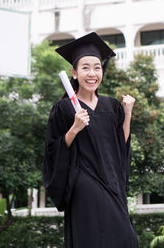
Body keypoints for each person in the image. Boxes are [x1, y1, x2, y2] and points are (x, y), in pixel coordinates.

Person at [42, 32, 139, 248]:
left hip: (112, 180)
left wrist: (128, 113)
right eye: (85, 67)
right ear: (73, 73)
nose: (92, 73)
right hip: (84, 183)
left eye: (97, 67)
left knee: (125, 239)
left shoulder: (112, 106)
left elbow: (120, 145)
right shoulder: (64, 108)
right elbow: (52, 152)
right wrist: (74, 129)